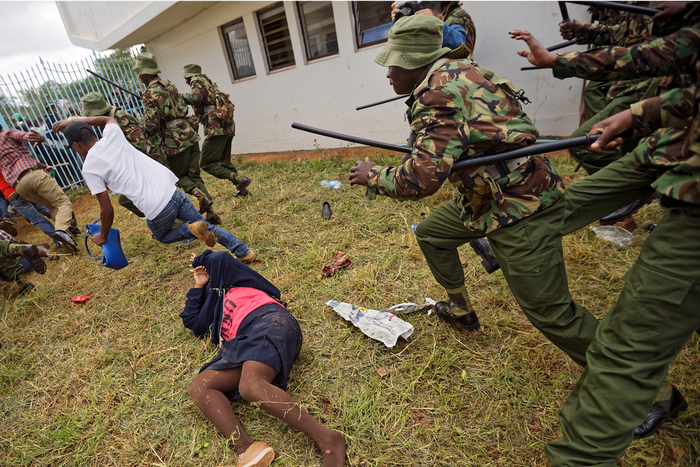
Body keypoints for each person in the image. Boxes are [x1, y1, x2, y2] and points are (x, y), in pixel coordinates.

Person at [350, 14, 677, 438]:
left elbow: (419, 180)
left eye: (392, 65)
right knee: (433, 233)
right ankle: (462, 308)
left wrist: (372, 174)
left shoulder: (437, 93)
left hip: (518, 209)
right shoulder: (461, 69)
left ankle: (654, 393)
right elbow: (459, 143)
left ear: (415, 62)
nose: (389, 72)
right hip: (487, 196)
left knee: (553, 314)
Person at [512, 23, 700, 466]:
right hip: (669, 149)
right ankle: (519, 235)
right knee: (565, 203)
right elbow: (652, 52)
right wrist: (640, 114)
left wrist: (640, 112)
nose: (660, 8)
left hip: (687, 188)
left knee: (624, 352)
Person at [183, 250, 346, 467]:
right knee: (199, 386)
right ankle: (246, 448)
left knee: (250, 386)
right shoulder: (212, 307)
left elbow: (219, 258)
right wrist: (198, 285)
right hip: (240, 344)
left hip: (268, 322)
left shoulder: (234, 280)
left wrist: (198, 260)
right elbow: (191, 320)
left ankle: (329, 439)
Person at [53, 118, 256, 263]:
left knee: (162, 236)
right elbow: (108, 119)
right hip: (172, 191)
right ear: (92, 133)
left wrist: (103, 236)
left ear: (76, 145)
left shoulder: (89, 167)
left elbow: (107, 210)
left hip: (156, 208)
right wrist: (75, 120)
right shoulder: (113, 135)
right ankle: (244, 251)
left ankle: (190, 230)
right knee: (205, 227)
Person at [133, 53, 220, 225]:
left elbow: (152, 126)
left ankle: (200, 196)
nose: (139, 76)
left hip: (174, 141)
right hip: (189, 133)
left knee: (176, 176)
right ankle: (212, 215)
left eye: (139, 72)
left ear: (145, 73)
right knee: (194, 175)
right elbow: (181, 105)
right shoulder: (168, 84)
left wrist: (142, 130)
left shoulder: (149, 93)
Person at [0, 122, 77, 251]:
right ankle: (63, 231)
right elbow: (28, 136)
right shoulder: (6, 134)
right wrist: (40, 138)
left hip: (18, 186)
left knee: (50, 207)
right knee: (62, 202)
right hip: (32, 175)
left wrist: (37, 163)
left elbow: (11, 160)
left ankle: (64, 237)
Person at [182, 64, 251, 198]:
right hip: (226, 125)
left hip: (215, 127)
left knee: (206, 163)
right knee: (225, 162)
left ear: (188, 76)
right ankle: (242, 189)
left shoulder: (196, 80)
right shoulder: (207, 81)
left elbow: (196, 98)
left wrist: (179, 97)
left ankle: (240, 180)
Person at [80, 91, 153, 218]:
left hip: (145, 163)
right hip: (138, 165)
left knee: (132, 198)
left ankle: (164, 220)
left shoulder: (120, 118)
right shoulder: (111, 119)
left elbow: (139, 145)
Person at [0, 171, 60, 248]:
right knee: (45, 208)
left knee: (37, 219)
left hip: (12, 194)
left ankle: (60, 241)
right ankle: (67, 226)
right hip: (22, 186)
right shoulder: (5, 161)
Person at [391, 0, 476, 52]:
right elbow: (401, 45)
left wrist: (435, 23)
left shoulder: (460, 16)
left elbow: (459, 45)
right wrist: (398, 22)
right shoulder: (422, 8)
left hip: (453, 74)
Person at [0, 229, 48, 295]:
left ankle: (39, 251)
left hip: (17, 260)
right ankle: (26, 249)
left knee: (7, 271)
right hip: (16, 253)